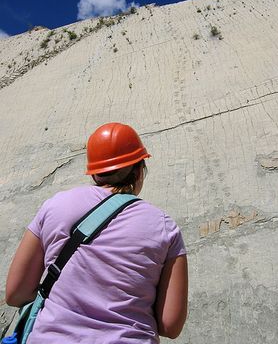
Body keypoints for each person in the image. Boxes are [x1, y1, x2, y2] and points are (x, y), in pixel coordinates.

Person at [5, 122, 188, 343]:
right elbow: (170, 325)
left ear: (94, 174)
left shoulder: (55, 206)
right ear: (140, 170)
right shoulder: (165, 227)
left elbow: (16, 294)